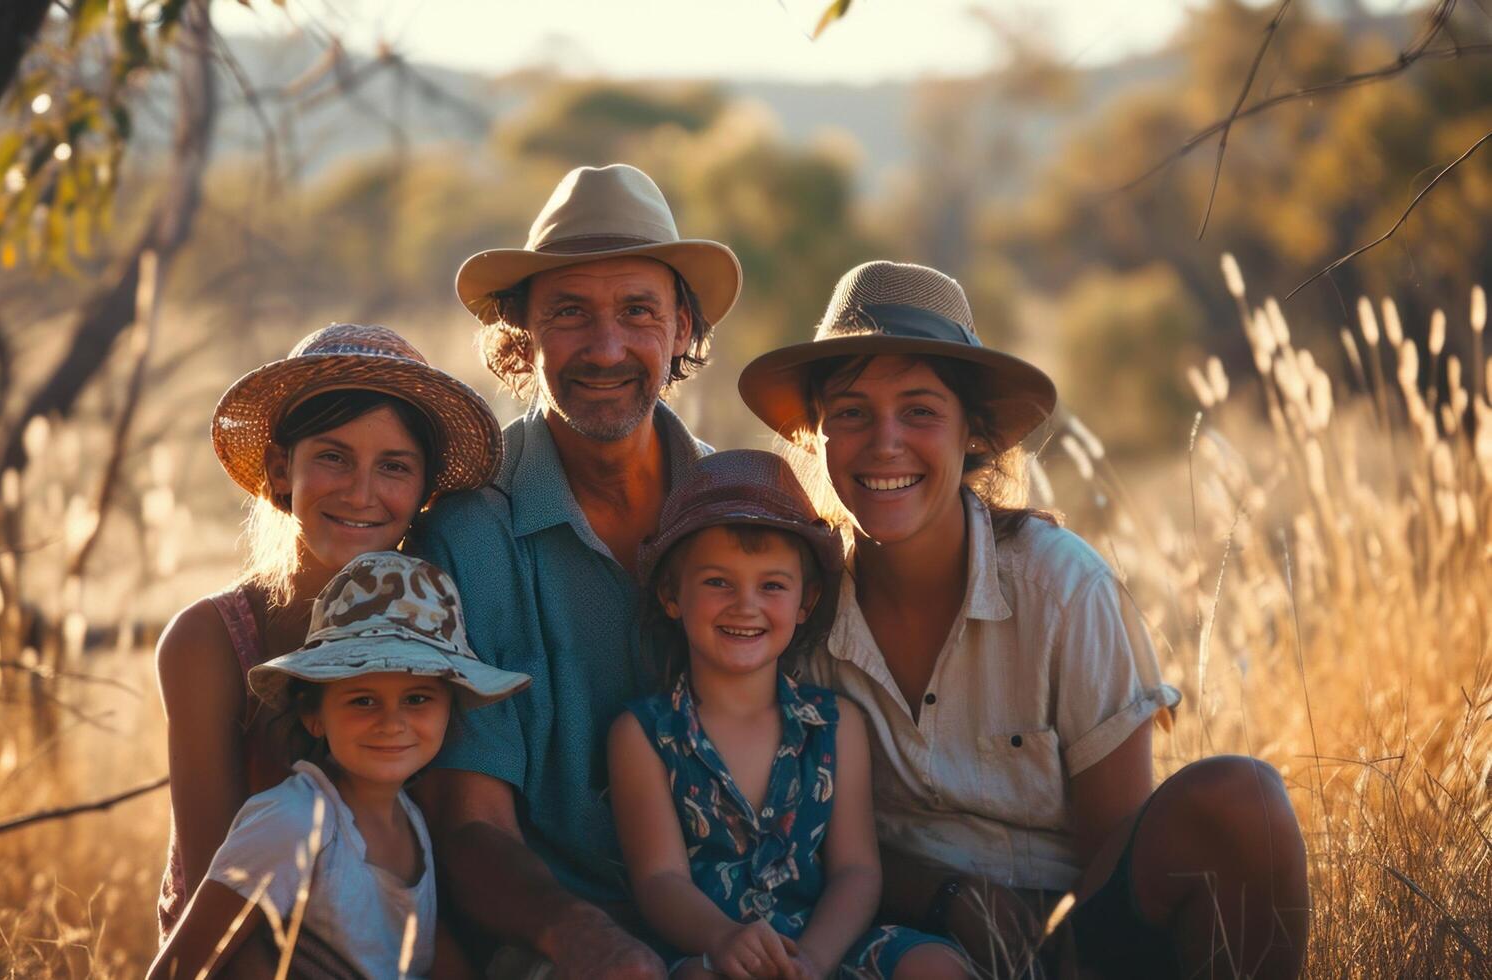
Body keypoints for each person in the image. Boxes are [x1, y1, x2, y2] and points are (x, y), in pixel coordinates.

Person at [737, 260, 1310, 978]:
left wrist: (1043, 956)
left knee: (1243, 798)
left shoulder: (1061, 586)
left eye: (919, 410)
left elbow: (1116, 847)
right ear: (817, 434)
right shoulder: (796, 606)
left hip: (1071, 939)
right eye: (850, 412)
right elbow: (797, 834)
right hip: (895, 940)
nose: (884, 442)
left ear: (970, 434)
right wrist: (954, 899)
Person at [407, 163, 743, 977]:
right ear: (521, 334)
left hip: (741, 926)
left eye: (638, 312)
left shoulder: (735, 512)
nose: (605, 348)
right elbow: (470, 822)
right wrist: (581, 937)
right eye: (568, 314)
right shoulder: (467, 533)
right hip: (551, 944)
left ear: (682, 328)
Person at [154, 323, 502, 953]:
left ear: (425, 493)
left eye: (394, 467)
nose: (361, 492)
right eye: (333, 457)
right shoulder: (210, 641)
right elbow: (217, 907)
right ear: (281, 470)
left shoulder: (437, 623)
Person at [609, 449, 967, 980]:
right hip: (717, 949)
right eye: (717, 583)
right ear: (671, 594)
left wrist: (815, 961)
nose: (745, 605)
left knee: (934, 963)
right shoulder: (644, 735)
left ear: (806, 601)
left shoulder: (836, 724)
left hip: (825, 947)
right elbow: (661, 880)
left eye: (772, 585)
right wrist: (722, 938)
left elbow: (856, 871)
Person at [149, 551, 531, 979]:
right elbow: (177, 968)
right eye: (362, 700)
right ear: (314, 715)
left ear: (449, 710)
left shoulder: (413, 824)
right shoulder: (292, 822)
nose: (392, 722)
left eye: (417, 698)